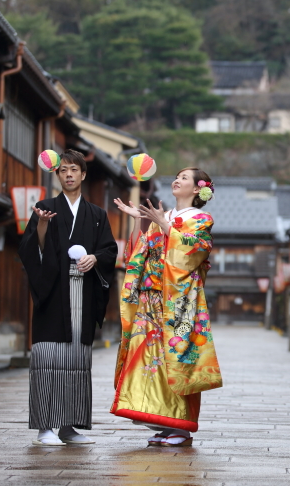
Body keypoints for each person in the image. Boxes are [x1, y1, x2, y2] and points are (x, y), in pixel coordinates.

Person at [111, 167, 222, 447]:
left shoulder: (201, 219)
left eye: (184, 178)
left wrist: (164, 226)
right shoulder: (164, 216)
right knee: (148, 359)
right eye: (177, 176)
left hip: (179, 300)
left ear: (197, 189)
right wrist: (140, 223)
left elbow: (195, 252)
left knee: (177, 357)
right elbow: (141, 253)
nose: (177, 180)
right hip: (152, 297)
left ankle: (181, 427)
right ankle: (162, 421)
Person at [18, 150, 117, 446]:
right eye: (64, 170)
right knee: (48, 359)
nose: (69, 174)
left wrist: (95, 259)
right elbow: (28, 249)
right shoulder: (45, 207)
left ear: (84, 175)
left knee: (76, 361)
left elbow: (110, 251)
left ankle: (68, 427)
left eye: (75, 170)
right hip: (53, 294)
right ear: (58, 175)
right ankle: (44, 427)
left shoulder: (97, 215)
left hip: (83, 295)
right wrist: (43, 225)